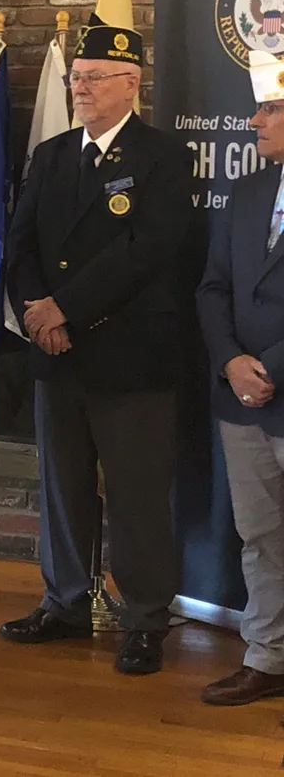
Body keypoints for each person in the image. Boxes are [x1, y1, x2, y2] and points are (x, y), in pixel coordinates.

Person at [1, 14, 193, 675]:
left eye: (94, 78)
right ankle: (64, 602)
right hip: (56, 351)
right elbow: (20, 244)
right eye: (76, 77)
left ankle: (144, 618)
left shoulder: (162, 156)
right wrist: (37, 313)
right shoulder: (52, 155)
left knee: (137, 495)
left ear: (130, 83)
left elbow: (147, 250)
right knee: (62, 487)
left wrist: (66, 308)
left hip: (130, 354)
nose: (79, 88)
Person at [196, 49, 284, 706]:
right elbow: (214, 287)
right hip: (242, 401)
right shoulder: (249, 190)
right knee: (261, 537)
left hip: (273, 386)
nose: (254, 121)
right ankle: (268, 657)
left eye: (270, 109)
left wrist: (268, 369)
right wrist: (231, 361)